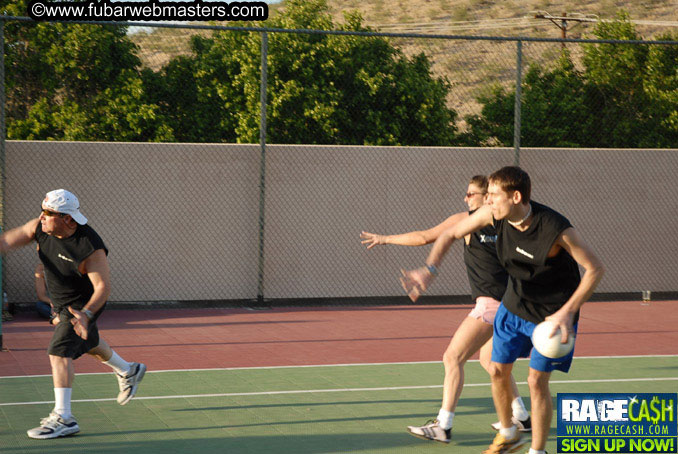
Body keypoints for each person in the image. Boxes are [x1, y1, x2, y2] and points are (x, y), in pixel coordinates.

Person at [400, 167, 604, 454]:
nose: (489, 201)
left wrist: (567, 311)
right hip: (514, 302)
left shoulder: (554, 228)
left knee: (536, 381)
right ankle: (509, 435)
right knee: (496, 368)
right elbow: (449, 234)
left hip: (551, 313)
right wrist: (429, 269)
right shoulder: (491, 215)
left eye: (494, 195)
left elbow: (595, 269)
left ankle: (537, 450)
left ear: (516, 196)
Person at [361, 175, 530, 444]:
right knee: (491, 362)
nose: (466, 198)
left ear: (488, 197)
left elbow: (427, 237)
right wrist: (386, 239)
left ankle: (444, 424)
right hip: (509, 305)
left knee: (452, 358)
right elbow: (425, 237)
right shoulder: (469, 222)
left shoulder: (503, 221)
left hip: (495, 304)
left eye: (471, 194)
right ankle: (521, 415)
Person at [0, 189, 147, 439]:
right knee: (90, 344)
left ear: (68, 219)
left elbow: (103, 287)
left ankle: (64, 418)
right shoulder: (39, 228)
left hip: (82, 306)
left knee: (59, 351)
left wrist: (87, 314)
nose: (42, 216)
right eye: (42, 210)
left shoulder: (89, 247)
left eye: (48, 213)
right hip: (60, 304)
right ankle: (128, 369)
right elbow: (6, 241)